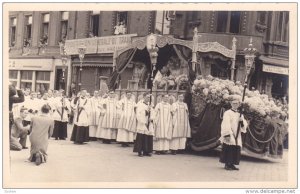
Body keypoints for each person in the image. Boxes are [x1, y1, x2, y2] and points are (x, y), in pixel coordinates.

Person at [219, 98, 248, 171]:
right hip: (230, 132)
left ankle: (232, 164)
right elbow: (226, 123)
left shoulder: (239, 114)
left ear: (239, 105)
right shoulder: (227, 113)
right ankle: (227, 164)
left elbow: (244, 126)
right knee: (229, 147)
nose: (235, 105)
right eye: (234, 103)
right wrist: (227, 134)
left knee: (235, 148)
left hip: (237, 134)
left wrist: (241, 122)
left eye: (237, 104)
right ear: (231, 104)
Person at [133, 92, 154, 157]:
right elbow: (138, 114)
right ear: (144, 97)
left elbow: (153, 112)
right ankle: (140, 151)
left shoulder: (150, 104)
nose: (148, 98)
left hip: (149, 122)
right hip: (142, 123)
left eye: (149, 97)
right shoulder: (140, 104)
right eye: (147, 97)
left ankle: (147, 151)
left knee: (148, 137)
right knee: (141, 137)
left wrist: (151, 118)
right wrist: (143, 119)